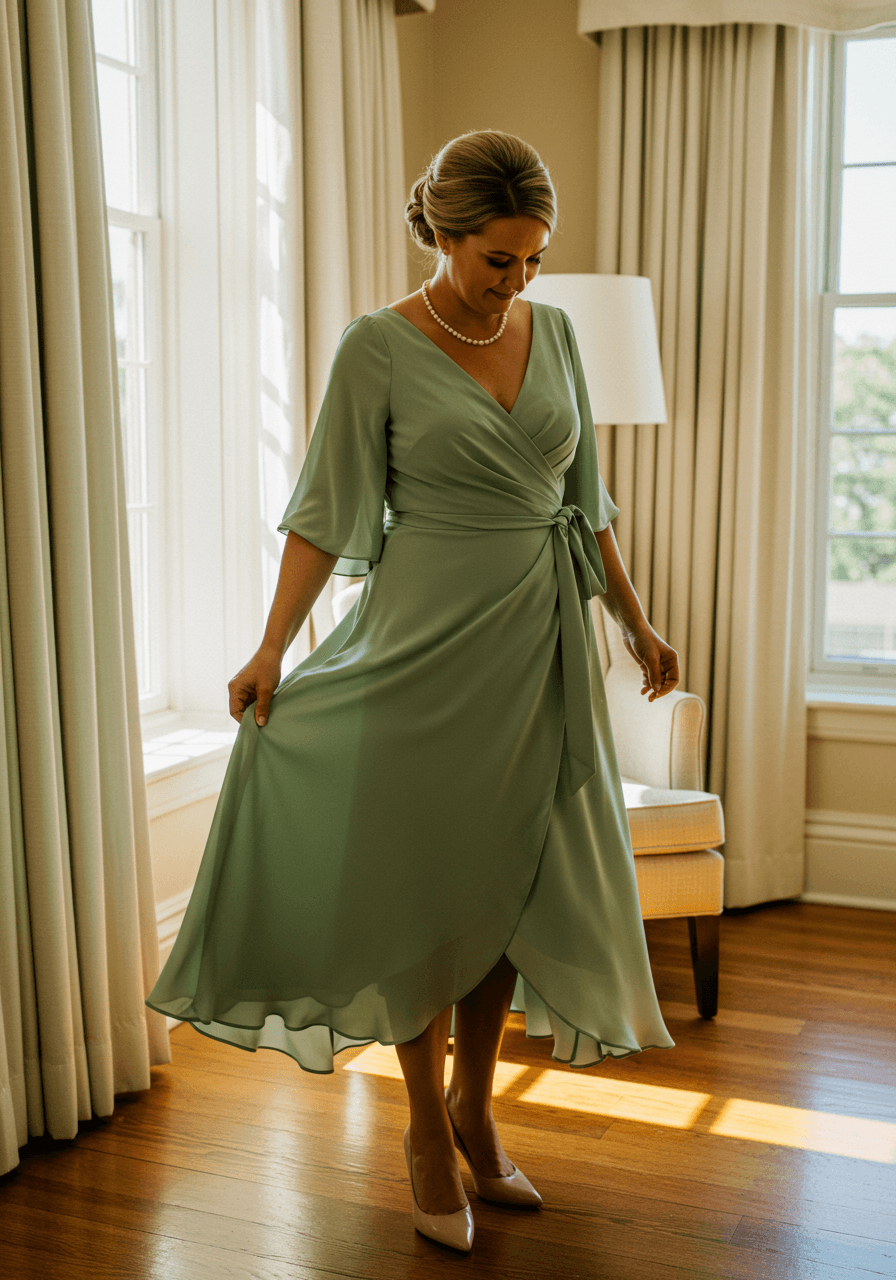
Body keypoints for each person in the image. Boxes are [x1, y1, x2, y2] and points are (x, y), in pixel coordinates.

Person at [145, 129, 679, 1254]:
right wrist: (268, 647)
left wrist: (633, 622)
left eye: (532, 258)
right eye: (498, 258)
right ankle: (420, 1132)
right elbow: (320, 513)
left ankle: (475, 1110)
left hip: (536, 642)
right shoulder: (376, 348)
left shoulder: (561, 334)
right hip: (421, 644)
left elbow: (585, 502)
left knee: (505, 888)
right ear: (443, 235)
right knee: (423, 886)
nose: (518, 278)